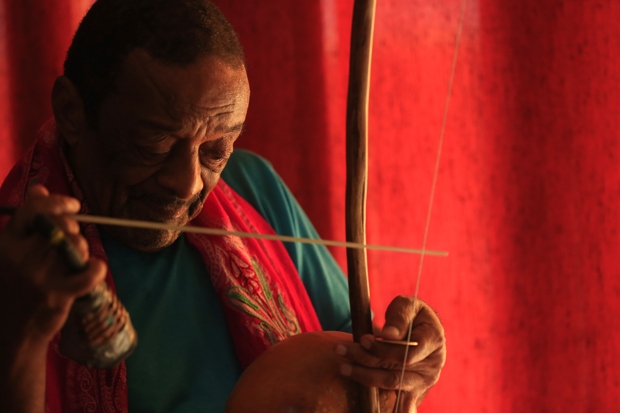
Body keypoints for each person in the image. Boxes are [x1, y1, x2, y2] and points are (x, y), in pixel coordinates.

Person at [0, 0, 446, 412]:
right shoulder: (17, 261)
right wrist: (20, 336)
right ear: (72, 111)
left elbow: (353, 353)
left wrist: (402, 360)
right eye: (154, 144)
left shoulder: (253, 186)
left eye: (216, 149)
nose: (188, 182)